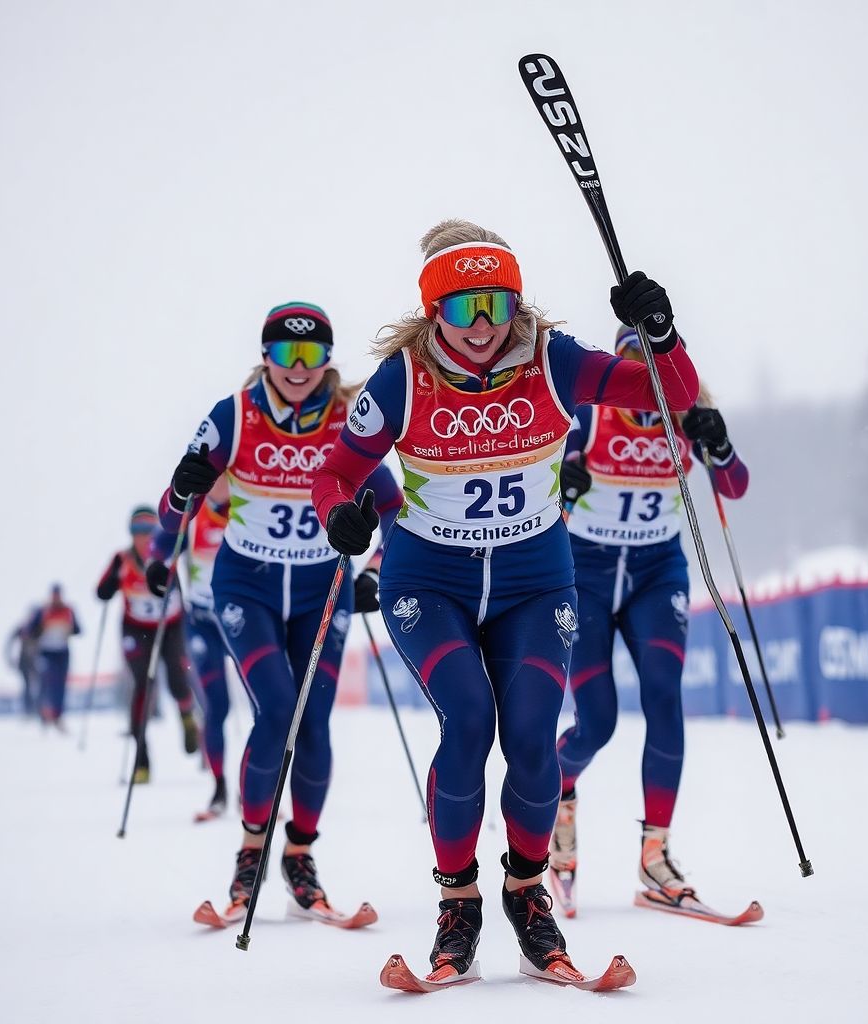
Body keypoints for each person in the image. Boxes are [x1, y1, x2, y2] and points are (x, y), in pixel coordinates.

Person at [312, 220, 700, 985]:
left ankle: (526, 892)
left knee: (529, 735)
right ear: (433, 316)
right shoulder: (402, 379)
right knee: (469, 720)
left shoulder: (553, 361)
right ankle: (458, 905)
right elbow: (335, 473)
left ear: (517, 302)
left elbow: (674, 393)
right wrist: (340, 514)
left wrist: (661, 330)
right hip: (430, 584)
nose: (484, 324)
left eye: (497, 303)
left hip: (535, 582)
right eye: (463, 309)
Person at [156, 301, 401, 921]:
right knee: (275, 710)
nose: (299, 367)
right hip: (249, 585)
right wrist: (183, 488)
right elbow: (171, 512)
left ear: (328, 360)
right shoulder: (233, 416)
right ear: (264, 356)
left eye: (313, 354)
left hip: (323, 587)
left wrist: (376, 571)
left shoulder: (352, 419)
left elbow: (396, 506)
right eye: (286, 353)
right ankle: (250, 850)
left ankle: (299, 855)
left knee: (313, 720)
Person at [550, 325, 750, 916]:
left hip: (656, 575)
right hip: (585, 577)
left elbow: (734, 487)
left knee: (665, 697)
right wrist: (565, 480)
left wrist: (722, 447)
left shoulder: (691, 416)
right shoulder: (587, 416)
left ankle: (655, 857)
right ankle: (559, 800)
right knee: (598, 722)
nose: (645, 372)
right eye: (633, 360)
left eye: (654, 359)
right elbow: (540, 486)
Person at [148, 476, 233, 820]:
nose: (219, 483)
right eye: (213, 477)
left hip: (245, 619)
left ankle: (261, 788)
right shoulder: (192, 515)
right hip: (202, 622)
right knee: (217, 706)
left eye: (226, 475)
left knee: (267, 708)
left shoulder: (250, 508)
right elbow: (161, 544)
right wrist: (159, 566)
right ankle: (219, 788)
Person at [96, 506, 200, 783]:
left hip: (171, 627)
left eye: (148, 530)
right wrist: (111, 584)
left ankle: (187, 717)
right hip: (136, 629)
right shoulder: (122, 559)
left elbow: (191, 573)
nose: (143, 537)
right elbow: (101, 591)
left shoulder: (168, 555)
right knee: (143, 686)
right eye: (137, 531)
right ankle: (141, 761)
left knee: (178, 680)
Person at [27, 585, 81, 728]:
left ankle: (58, 715)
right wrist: (40, 628)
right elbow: (30, 630)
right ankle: (44, 714)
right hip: (46, 652)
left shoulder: (68, 610)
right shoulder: (43, 610)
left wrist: (70, 629)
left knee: (61, 685)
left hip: (62, 651)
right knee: (48, 682)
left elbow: (78, 629)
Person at [6, 610, 40, 716]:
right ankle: (28, 710)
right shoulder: (22, 628)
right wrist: (9, 658)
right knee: (27, 686)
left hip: (36, 661)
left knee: (38, 685)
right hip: (24, 661)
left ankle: (38, 710)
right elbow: (9, 642)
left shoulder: (38, 628)